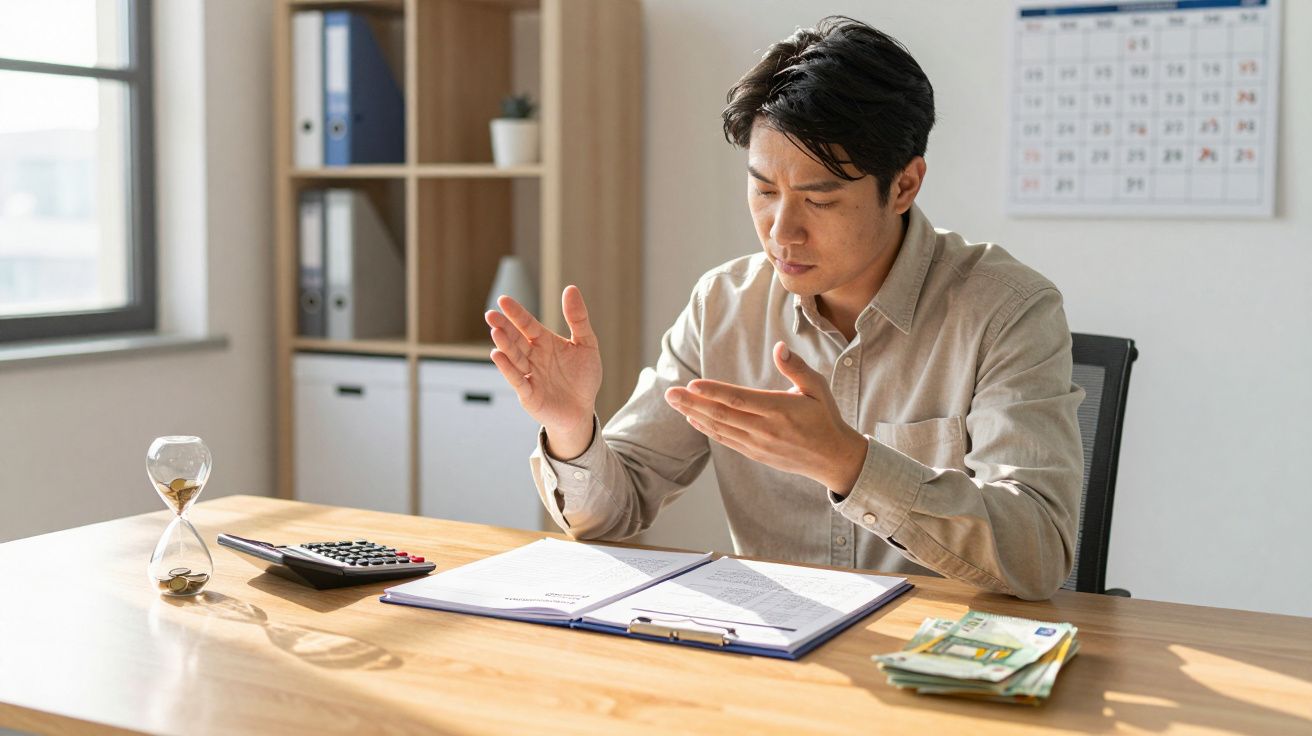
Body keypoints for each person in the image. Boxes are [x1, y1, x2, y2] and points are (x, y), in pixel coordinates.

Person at [484, 16, 1085, 601]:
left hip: (933, 660)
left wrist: (848, 461)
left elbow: (1037, 553)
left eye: (819, 199)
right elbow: (608, 516)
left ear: (903, 185)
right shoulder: (724, 305)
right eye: (764, 191)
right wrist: (571, 428)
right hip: (775, 656)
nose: (782, 232)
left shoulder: (1007, 310)